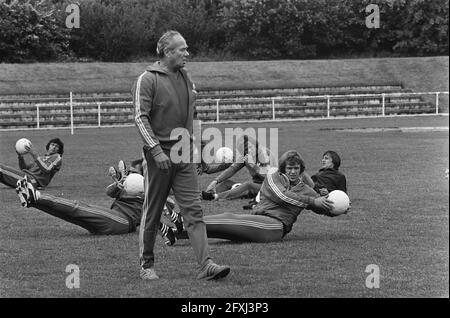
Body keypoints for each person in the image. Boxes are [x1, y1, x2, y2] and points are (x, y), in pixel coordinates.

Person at [132, 30, 230, 281]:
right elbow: (140, 118)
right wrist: (155, 150)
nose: (187, 53)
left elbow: (192, 117)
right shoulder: (147, 79)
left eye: (186, 48)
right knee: (152, 212)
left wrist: (197, 150)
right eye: (182, 49)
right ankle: (146, 265)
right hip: (159, 158)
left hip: (184, 157)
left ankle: (206, 265)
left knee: (194, 212)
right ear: (167, 52)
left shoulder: (186, 78)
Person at [164, 150, 342, 244]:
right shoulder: (273, 177)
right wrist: (313, 200)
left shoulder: (306, 191)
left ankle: (183, 220)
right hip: (260, 220)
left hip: (274, 226)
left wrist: (336, 209)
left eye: (296, 168)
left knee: (229, 219)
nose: (293, 172)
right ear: (283, 169)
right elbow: (283, 196)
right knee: (223, 230)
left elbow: (321, 207)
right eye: (289, 168)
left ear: (302, 170)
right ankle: (175, 233)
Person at [14, 159, 181, 240]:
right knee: (71, 214)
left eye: (133, 172)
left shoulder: (150, 191)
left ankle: (36, 195)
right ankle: (34, 200)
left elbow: (170, 205)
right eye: (129, 171)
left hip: (122, 222)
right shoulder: (127, 185)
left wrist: (150, 194)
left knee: (77, 208)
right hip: (111, 215)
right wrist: (118, 185)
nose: (130, 174)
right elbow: (108, 192)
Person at [202, 135, 277, 201]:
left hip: (270, 188)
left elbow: (270, 177)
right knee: (226, 183)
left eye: (251, 147)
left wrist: (254, 166)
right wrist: (215, 181)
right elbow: (233, 169)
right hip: (256, 186)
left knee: (248, 185)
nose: (250, 151)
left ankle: (215, 197)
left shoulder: (265, 154)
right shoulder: (246, 157)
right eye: (246, 150)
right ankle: (207, 194)